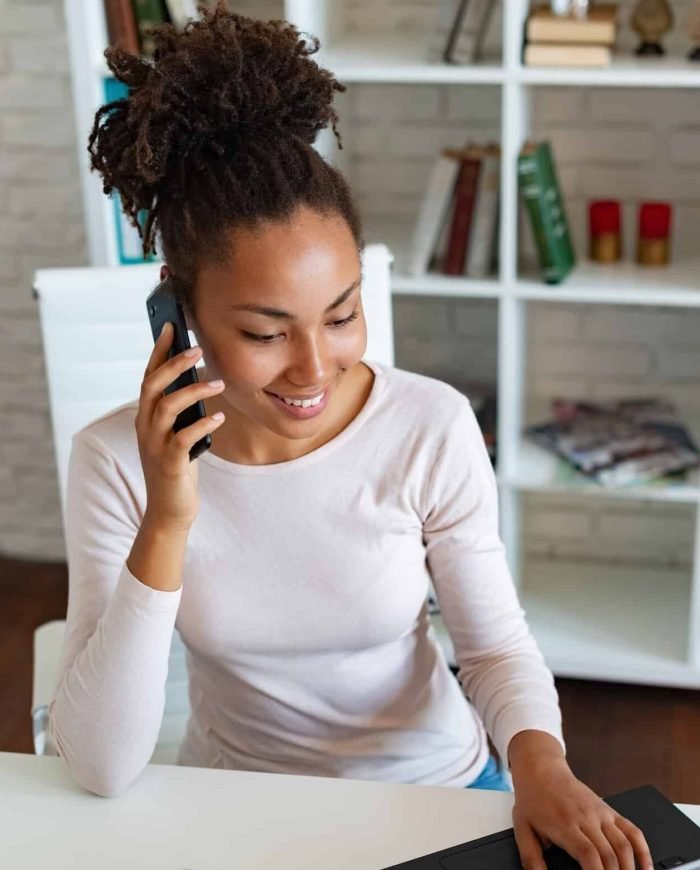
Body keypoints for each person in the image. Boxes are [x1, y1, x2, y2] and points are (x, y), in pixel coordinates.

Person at [48, 5, 653, 868]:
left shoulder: (428, 426)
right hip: (238, 807)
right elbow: (101, 766)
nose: (312, 369)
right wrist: (169, 518)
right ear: (178, 318)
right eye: (265, 333)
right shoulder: (116, 463)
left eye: (341, 316)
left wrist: (540, 765)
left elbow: (491, 645)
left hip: (434, 793)